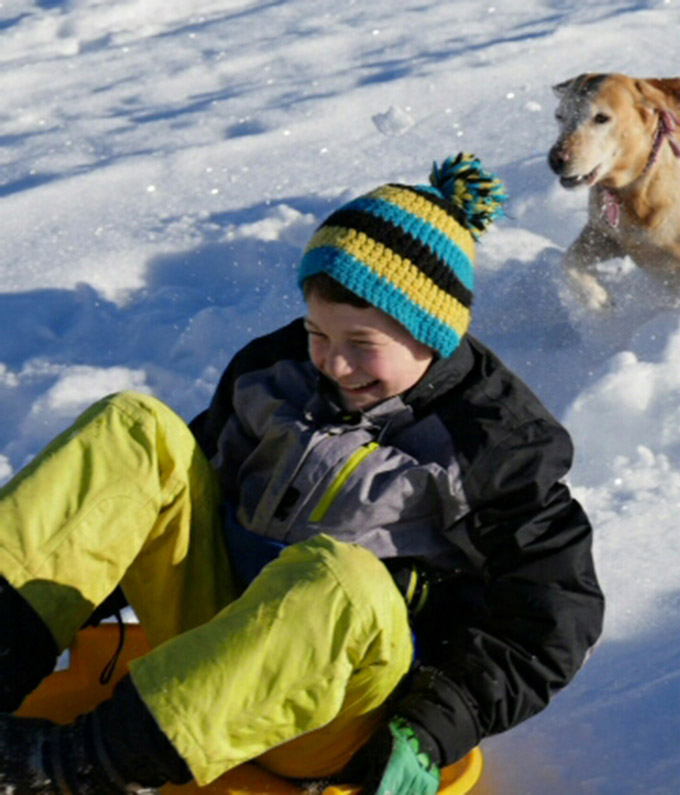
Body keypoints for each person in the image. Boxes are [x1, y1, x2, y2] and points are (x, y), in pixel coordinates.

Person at [0, 153, 604, 794]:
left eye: (362, 345)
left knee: (343, 576)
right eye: (319, 332)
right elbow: (161, 502)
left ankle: (77, 769)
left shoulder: (493, 447)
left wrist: (432, 727)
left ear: (434, 334)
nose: (334, 365)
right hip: (209, 657)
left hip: (332, 713)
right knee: (137, 429)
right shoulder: (279, 373)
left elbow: (549, 624)